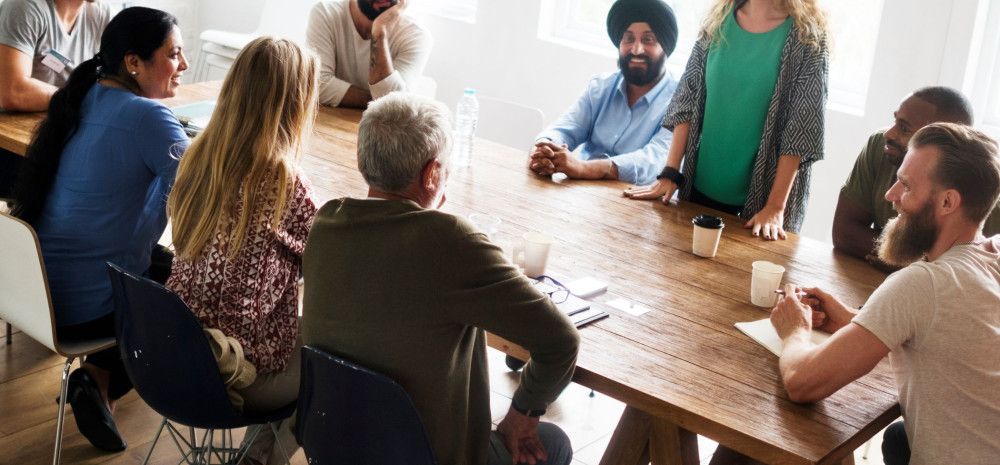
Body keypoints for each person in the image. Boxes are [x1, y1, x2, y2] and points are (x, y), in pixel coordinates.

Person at [302, 92, 580, 465]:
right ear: (432, 173)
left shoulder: (326, 223)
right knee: (555, 442)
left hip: (335, 444)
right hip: (426, 456)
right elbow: (562, 340)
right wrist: (522, 415)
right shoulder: (448, 241)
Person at [9, 6, 188, 452]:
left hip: (33, 291)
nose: (183, 65)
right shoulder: (151, 118)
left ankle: (98, 384)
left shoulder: (80, 96)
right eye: (174, 53)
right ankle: (98, 376)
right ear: (133, 62)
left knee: (161, 264)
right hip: (84, 310)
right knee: (190, 288)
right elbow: (202, 193)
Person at [770, 123, 1000, 465]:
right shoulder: (989, 258)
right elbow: (948, 340)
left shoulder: (923, 283)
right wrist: (859, 321)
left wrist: (795, 331)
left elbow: (802, 384)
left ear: (948, 201)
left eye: (906, 185)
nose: (890, 195)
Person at [165, 36, 319, 465]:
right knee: (340, 345)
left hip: (177, 353)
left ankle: (256, 456)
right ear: (295, 105)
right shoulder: (284, 182)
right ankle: (263, 458)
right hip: (239, 374)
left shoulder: (196, 157)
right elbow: (330, 261)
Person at [624, 0, 829, 241]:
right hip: (698, 191)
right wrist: (670, 174)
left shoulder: (808, 37)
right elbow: (687, 99)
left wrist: (775, 207)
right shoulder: (717, 20)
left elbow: (801, 128)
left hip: (761, 208)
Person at [833, 86, 1000, 268]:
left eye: (904, 128)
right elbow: (844, 232)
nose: (889, 133)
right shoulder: (880, 146)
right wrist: (917, 264)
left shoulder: (987, 190)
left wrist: (917, 267)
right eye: (895, 121)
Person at [528, 0, 678, 185]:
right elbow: (565, 128)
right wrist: (546, 149)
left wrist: (583, 168)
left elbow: (655, 161)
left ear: (666, 46)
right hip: (583, 193)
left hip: (639, 204)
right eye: (628, 38)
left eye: (648, 39)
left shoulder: (679, 101)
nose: (636, 49)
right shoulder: (601, 87)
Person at [0, 0, 112, 200]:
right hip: (10, 144)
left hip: (56, 131)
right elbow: (13, 92)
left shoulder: (100, 12)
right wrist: (78, 96)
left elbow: (109, 83)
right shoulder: (25, 7)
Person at [305, 0, 431, 108]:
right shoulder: (326, 13)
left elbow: (396, 104)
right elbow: (317, 86)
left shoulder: (416, 35)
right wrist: (377, 100)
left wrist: (379, 33)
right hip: (332, 125)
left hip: (383, 132)